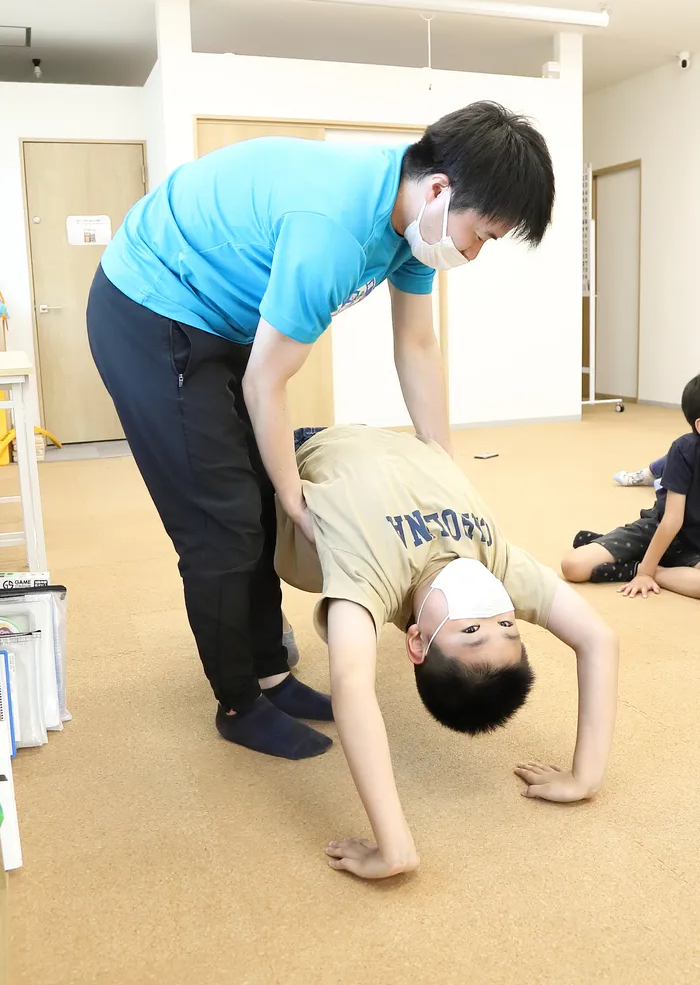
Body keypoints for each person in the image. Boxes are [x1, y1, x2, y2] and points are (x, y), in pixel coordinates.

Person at [86, 101, 555, 762]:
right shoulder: (335, 227)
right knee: (224, 520)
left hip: (227, 318)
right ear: (441, 190)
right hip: (150, 306)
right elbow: (264, 384)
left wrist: (440, 466)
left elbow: (417, 346)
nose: (474, 254)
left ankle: (272, 673)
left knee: (250, 505)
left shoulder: (411, 226)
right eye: (482, 234)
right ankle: (238, 702)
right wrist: (291, 493)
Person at [276, 425, 619, 879]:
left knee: (234, 538)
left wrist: (394, 847)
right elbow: (600, 639)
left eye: (473, 628)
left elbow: (351, 684)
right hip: (402, 442)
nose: (491, 608)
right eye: (507, 625)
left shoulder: (368, 580)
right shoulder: (499, 570)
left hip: (307, 447)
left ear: (416, 640)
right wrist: (585, 777)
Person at [563, 374, 700, 600]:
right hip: (661, 528)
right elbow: (672, 520)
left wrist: (651, 572)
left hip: (694, 546)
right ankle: (643, 564)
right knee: (573, 566)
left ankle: (649, 568)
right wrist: (643, 574)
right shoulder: (684, 449)